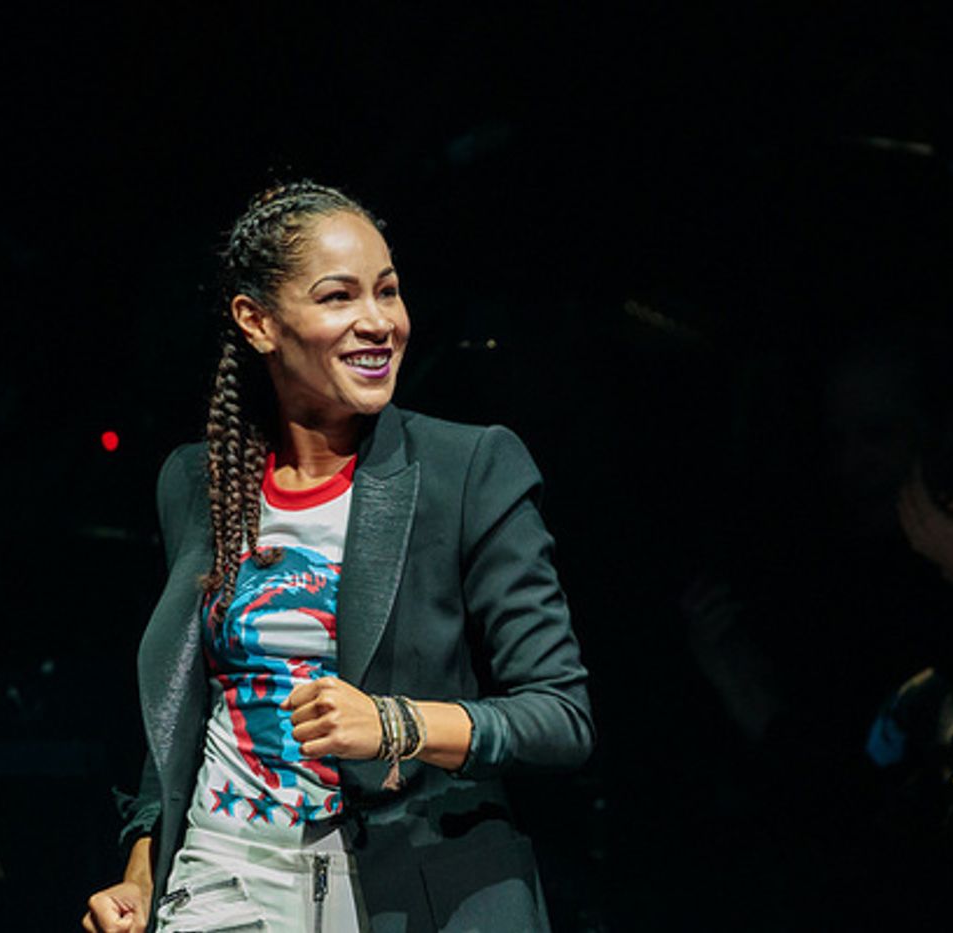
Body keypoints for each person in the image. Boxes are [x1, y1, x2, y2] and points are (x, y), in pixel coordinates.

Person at [82, 181, 593, 933]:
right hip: (225, 878)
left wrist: (394, 723)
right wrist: (144, 863)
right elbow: (181, 707)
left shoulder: (469, 467)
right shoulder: (197, 481)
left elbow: (560, 716)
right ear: (257, 322)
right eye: (339, 297)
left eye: (388, 291)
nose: (378, 321)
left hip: (412, 888)